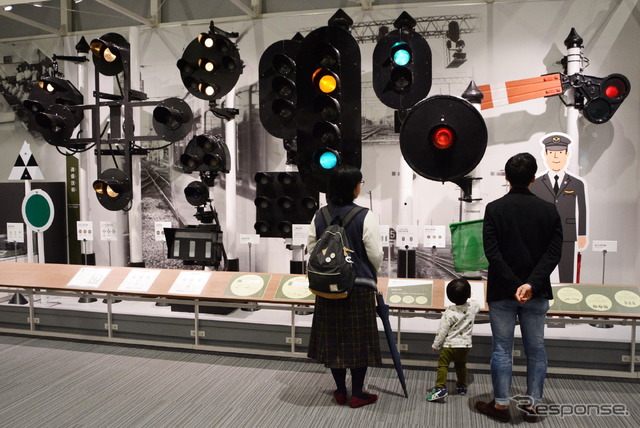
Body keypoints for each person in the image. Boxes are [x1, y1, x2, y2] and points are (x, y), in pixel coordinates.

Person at [476, 153, 562, 423]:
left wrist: (515, 284)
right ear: (534, 179)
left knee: (502, 349)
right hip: (535, 293)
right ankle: (532, 406)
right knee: (536, 350)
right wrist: (530, 284)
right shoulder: (549, 210)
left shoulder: (494, 208)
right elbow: (553, 253)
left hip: (503, 291)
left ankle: (501, 406)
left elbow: (492, 253)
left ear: (506, 178)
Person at [306, 164, 384, 409]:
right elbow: (375, 253)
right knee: (358, 341)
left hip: (327, 287)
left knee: (334, 339)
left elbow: (312, 248)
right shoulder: (365, 215)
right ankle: (358, 392)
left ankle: (340, 390)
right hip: (358, 287)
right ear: (353, 187)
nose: (360, 186)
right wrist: (373, 273)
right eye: (359, 183)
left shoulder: (320, 215)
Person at [530, 132, 588, 283]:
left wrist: (582, 234)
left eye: (560, 153)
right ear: (545, 154)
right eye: (552, 153)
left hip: (567, 234)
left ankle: (568, 300)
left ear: (567, 154)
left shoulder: (576, 183)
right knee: (539, 274)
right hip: (540, 234)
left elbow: (582, 209)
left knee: (567, 274)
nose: (556, 157)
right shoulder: (536, 183)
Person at [426, 278, 480, 401]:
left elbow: (442, 331)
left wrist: (436, 345)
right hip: (465, 346)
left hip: (449, 346)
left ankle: (440, 388)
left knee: (443, 365)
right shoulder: (472, 308)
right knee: (461, 365)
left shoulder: (449, 313)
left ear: (449, 297)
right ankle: (462, 386)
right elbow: (477, 305)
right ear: (469, 295)